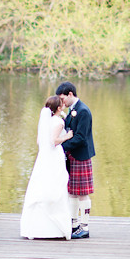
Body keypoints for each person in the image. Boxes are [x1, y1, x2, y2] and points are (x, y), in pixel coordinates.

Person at [20, 95, 74, 240]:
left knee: (42, 184)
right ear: (58, 108)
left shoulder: (46, 122)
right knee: (55, 185)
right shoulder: (58, 122)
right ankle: (54, 229)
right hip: (54, 156)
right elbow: (54, 141)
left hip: (44, 157)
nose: (63, 106)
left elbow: (40, 141)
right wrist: (67, 136)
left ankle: (36, 227)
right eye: (62, 104)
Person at [56, 81, 95, 239]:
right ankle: (73, 224)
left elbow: (80, 138)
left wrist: (61, 147)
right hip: (72, 157)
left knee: (83, 194)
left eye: (63, 98)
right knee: (71, 192)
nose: (61, 102)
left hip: (81, 156)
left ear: (70, 94)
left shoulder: (83, 111)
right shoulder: (72, 110)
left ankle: (84, 227)